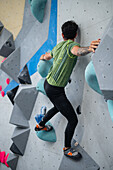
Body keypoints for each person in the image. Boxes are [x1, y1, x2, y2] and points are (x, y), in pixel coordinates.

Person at [35, 20, 100, 160]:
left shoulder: (58, 46)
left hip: (48, 84)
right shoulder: (73, 45)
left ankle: (40, 125)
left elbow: (47, 56)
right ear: (75, 35)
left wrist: (42, 57)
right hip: (56, 90)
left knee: (58, 107)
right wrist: (89, 48)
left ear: (62, 35)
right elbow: (77, 51)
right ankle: (66, 148)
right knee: (72, 120)